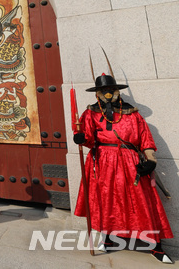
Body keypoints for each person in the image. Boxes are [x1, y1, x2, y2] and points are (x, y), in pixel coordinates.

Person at [74, 73, 173, 264]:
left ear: (117, 91)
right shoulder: (90, 113)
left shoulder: (132, 113)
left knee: (141, 201)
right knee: (107, 200)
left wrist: (151, 160)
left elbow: (146, 139)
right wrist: (81, 138)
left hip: (129, 161)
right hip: (102, 161)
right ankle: (109, 238)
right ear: (97, 93)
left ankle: (155, 245)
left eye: (111, 90)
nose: (108, 93)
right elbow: (87, 138)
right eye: (104, 91)